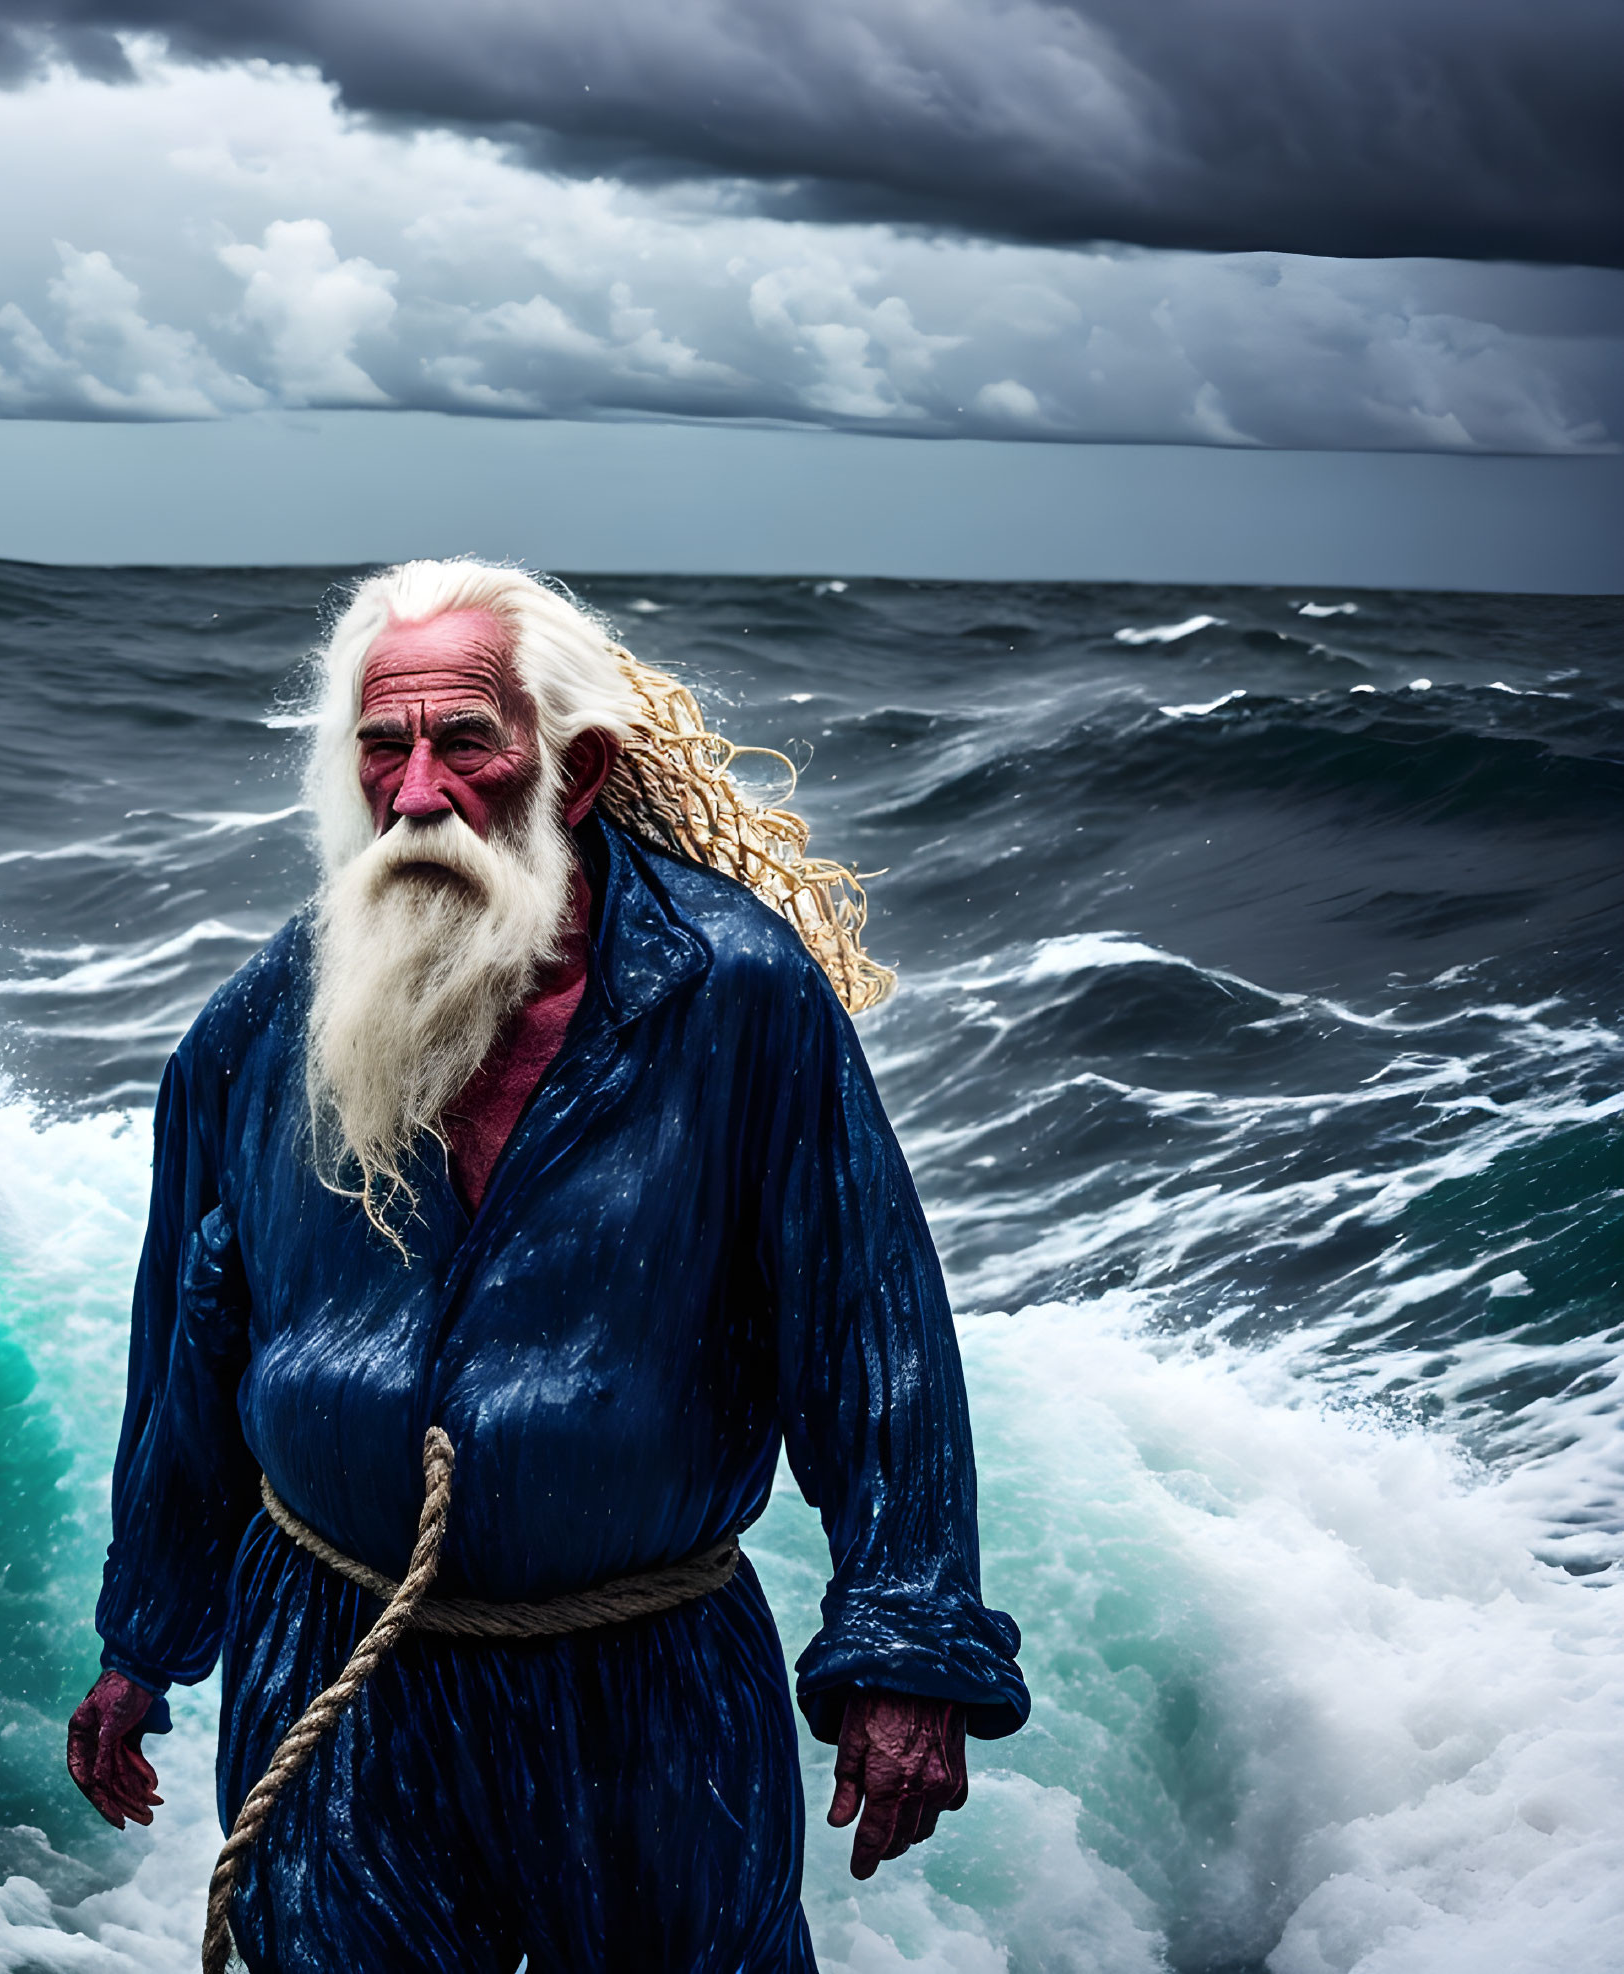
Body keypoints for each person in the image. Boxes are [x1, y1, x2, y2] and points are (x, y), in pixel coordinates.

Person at [66, 560, 1028, 1972]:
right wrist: (141, 1637)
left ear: (574, 771)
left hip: (648, 1683)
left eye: (464, 744)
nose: (415, 792)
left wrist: (905, 1648)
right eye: (381, 749)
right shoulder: (259, 1028)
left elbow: (867, 1338)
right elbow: (192, 1347)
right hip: (340, 1668)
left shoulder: (731, 996)